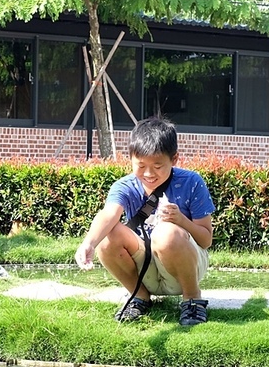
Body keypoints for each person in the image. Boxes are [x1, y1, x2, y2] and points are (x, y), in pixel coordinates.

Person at [74, 116, 214, 326]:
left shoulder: (192, 182)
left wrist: (182, 221)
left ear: (174, 159)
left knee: (166, 233)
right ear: (129, 158)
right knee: (107, 236)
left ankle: (192, 299)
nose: (149, 174)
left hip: (185, 268)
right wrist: (88, 243)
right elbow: (108, 214)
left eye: (158, 166)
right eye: (141, 166)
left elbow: (206, 241)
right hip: (144, 270)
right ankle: (139, 296)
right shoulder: (125, 186)